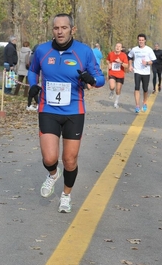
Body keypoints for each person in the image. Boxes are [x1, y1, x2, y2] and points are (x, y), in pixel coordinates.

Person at [27, 13, 105, 213]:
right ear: (52, 30)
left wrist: (92, 79)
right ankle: (53, 174)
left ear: (72, 29)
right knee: (49, 158)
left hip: (74, 112)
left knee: (70, 160)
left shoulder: (84, 52)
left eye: (64, 28)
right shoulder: (42, 50)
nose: (59, 31)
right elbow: (33, 70)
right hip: (48, 109)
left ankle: (66, 196)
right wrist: (33, 85)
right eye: (56, 28)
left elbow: (100, 78)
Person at [128, 33, 156, 113]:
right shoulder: (134, 49)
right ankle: (137, 105)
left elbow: (153, 60)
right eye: (139, 40)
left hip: (146, 72)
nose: (141, 41)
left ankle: (144, 102)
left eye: (142, 40)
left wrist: (147, 63)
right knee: (137, 87)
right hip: (137, 71)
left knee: (145, 89)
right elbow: (129, 56)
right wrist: (130, 65)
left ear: (145, 41)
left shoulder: (149, 50)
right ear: (138, 40)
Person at [106, 42, 128, 108]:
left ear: (121, 48)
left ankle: (116, 102)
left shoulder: (123, 55)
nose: (117, 47)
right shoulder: (111, 54)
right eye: (116, 46)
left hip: (120, 75)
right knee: (112, 87)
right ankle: (112, 91)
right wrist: (109, 64)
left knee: (118, 89)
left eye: (119, 46)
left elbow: (126, 66)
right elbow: (107, 60)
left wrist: (120, 62)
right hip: (112, 73)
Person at [26, 44, 39, 111]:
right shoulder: (35, 56)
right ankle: (36, 104)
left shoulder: (31, 55)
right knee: (34, 90)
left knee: (33, 89)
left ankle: (30, 104)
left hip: (32, 73)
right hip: (34, 73)